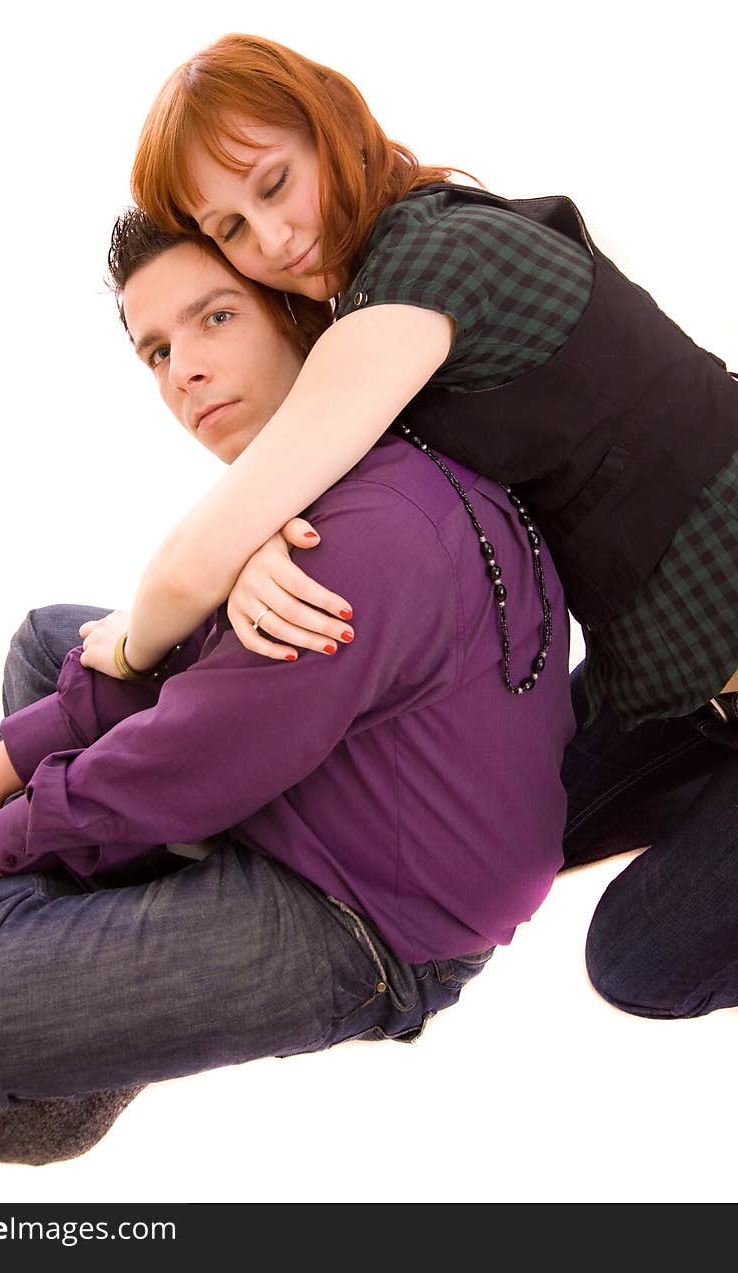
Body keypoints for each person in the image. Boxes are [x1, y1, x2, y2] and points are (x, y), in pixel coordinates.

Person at [71, 32, 738, 1021]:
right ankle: (119, 1008)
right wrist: (260, 543)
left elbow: (212, 540)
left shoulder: (428, 268)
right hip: (685, 686)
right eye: (234, 229)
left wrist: (124, 642)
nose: (274, 237)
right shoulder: (387, 302)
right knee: (504, 828)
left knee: (641, 957)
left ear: (329, 125)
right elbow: (342, 479)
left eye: (273, 183)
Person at [0, 211, 574, 1165]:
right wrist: (9, 765)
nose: (184, 372)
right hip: (324, 772)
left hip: (371, 917)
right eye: (158, 350)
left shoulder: (355, 538)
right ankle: (107, 903)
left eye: (216, 319)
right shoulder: (341, 457)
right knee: (50, 639)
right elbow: (193, 674)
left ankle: (90, 1016)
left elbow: (192, 754)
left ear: (294, 313)